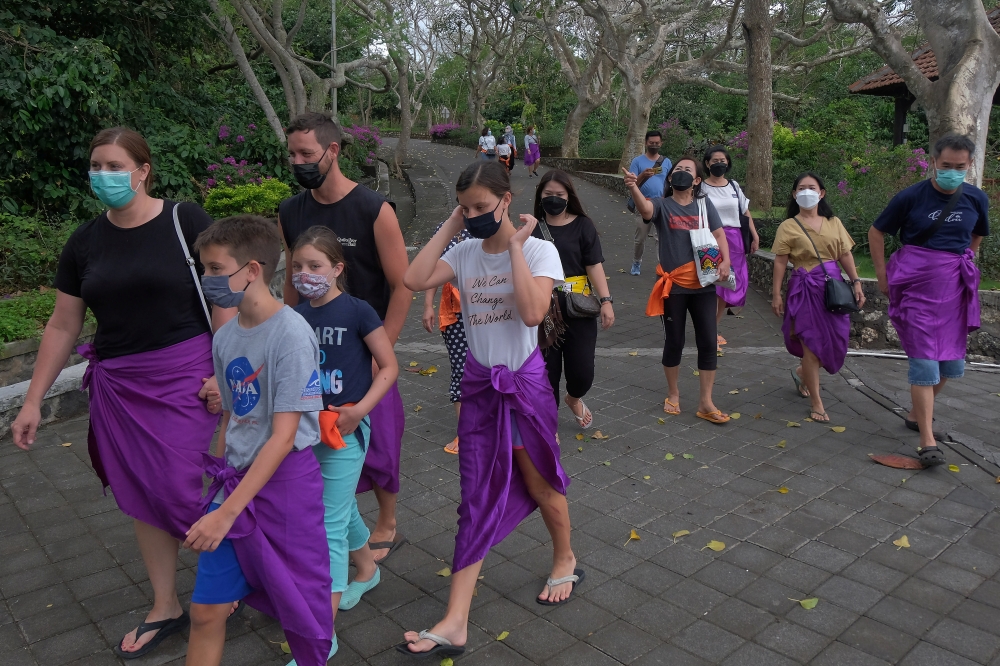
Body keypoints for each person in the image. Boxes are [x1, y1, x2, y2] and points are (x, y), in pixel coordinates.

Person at [9, 127, 237, 659]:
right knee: (142, 492)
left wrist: (224, 373)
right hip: (119, 386)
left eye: (114, 166)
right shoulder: (85, 242)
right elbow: (63, 326)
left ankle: (226, 585)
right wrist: (32, 399)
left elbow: (224, 298)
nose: (103, 176)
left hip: (189, 376)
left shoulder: (186, 221)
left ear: (143, 170)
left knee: (191, 487)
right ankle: (166, 605)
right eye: (96, 166)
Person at [399, 161, 579, 657]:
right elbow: (414, 279)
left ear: (506, 199)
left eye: (482, 206)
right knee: (474, 495)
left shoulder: (540, 250)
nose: (475, 214)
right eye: (466, 207)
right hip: (480, 388)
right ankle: (456, 620)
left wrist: (516, 247)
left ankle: (564, 556)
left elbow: (532, 313)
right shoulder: (464, 251)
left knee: (539, 480)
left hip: (523, 386)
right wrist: (454, 223)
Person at [186, 215, 331, 666]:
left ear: (252, 270)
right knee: (206, 610)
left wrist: (223, 516)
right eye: (203, 269)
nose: (206, 279)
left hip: (286, 486)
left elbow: (284, 436)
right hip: (235, 485)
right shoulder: (226, 336)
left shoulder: (291, 335)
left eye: (214, 269)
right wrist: (218, 487)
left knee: (303, 608)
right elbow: (230, 418)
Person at [279, 112, 411, 565]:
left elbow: (402, 285)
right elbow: (292, 284)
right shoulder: (290, 210)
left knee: (381, 441)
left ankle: (387, 521)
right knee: (319, 441)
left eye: (307, 154)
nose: (298, 162)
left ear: (332, 152)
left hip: (367, 344)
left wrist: (381, 354)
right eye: (292, 154)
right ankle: (344, 526)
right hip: (313, 349)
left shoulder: (374, 209)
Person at [290, 226, 399, 658]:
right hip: (302, 432)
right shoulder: (294, 316)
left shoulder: (358, 312)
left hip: (344, 433)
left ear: (337, 269)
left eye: (314, 266)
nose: (304, 274)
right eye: (298, 266)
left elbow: (388, 367)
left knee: (327, 527)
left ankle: (321, 633)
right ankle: (367, 570)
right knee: (340, 510)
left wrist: (359, 411)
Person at [869, 134, 989, 466]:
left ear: (969, 165)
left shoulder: (976, 199)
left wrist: (967, 257)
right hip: (916, 285)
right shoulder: (910, 197)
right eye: (946, 165)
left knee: (951, 363)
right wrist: (882, 275)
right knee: (924, 361)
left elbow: (978, 232)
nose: (952, 171)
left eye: (959, 167)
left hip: (954, 289)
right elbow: (876, 231)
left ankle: (916, 414)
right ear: (934, 162)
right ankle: (927, 438)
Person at [623, 158, 731, 424]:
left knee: (708, 341)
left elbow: (719, 236)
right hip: (675, 287)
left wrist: (726, 261)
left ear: (696, 181)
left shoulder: (705, 206)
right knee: (675, 341)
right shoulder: (663, 205)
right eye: (677, 170)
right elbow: (646, 210)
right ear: (670, 179)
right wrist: (634, 186)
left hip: (704, 285)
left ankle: (706, 402)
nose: (681, 173)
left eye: (688, 171)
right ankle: (673, 392)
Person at [771, 173, 865, 422]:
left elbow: (845, 254)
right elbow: (780, 262)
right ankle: (817, 402)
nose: (806, 192)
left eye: (811, 187)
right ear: (794, 194)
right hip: (803, 288)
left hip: (832, 288)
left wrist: (856, 282)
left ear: (822, 193)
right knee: (810, 345)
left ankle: (804, 372)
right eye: (801, 188)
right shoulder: (788, 226)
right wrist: (776, 294)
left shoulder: (834, 222)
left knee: (837, 342)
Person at [531, 170, 614, 429]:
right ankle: (548, 426)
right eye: (548, 194)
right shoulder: (531, 228)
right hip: (543, 309)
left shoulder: (583, 225)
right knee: (547, 374)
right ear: (540, 196)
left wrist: (606, 301)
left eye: (559, 194)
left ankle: (574, 397)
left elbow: (593, 265)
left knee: (582, 374)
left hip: (579, 307)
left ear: (569, 196)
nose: (553, 199)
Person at [422, 221, 473, 454]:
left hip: (491, 311)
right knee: (460, 369)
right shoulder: (445, 228)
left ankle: (494, 425)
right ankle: (465, 432)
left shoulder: (496, 225)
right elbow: (433, 268)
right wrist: (427, 306)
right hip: (455, 312)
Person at [702, 145, 759, 351]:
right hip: (712, 239)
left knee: (731, 285)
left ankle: (711, 328)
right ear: (707, 163)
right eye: (715, 160)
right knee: (716, 287)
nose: (719, 164)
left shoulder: (734, 186)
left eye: (723, 160)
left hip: (735, 240)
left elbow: (745, 211)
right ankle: (710, 333)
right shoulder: (701, 187)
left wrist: (754, 234)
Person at [629, 131, 670, 276]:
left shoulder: (666, 162)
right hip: (643, 204)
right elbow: (631, 183)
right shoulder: (637, 161)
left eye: (657, 143)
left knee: (661, 238)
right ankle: (636, 261)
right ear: (646, 143)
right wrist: (642, 175)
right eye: (651, 143)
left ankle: (663, 266)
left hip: (662, 204)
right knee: (640, 238)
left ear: (661, 144)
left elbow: (670, 181)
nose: (654, 145)